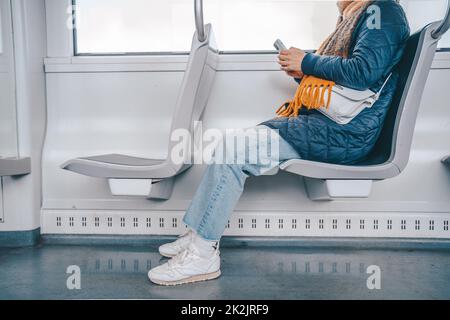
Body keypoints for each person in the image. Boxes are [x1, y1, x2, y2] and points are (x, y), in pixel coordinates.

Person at [148, 0, 410, 286]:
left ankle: (202, 255)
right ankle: (197, 233)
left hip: (344, 132)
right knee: (232, 145)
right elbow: (346, 87)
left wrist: (307, 61)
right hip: (330, 126)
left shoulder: (381, 10)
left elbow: (364, 72)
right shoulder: (357, 17)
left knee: (234, 149)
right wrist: (304, 75)